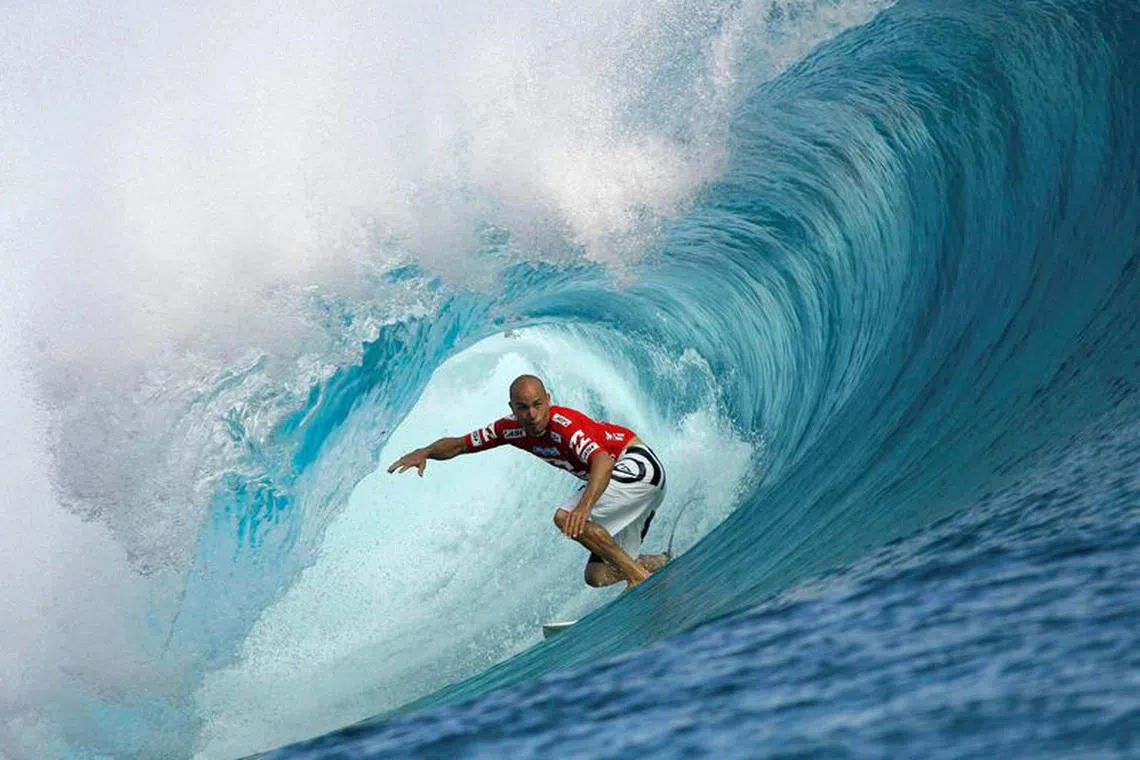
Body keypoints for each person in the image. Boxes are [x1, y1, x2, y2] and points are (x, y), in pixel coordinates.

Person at [387, 374, 668, 589]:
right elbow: (460, 445)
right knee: (597, 576)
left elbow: (603, 460)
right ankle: (659, 563)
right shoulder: (509, 429)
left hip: (637, 467)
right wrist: (426, 452)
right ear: (512, 408)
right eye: (523, 408)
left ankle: (636, 576)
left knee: (566, 516)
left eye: (537, 405)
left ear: (548, 399)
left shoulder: (565, 426)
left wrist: (584, 507)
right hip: (633, 484)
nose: (532, 415)